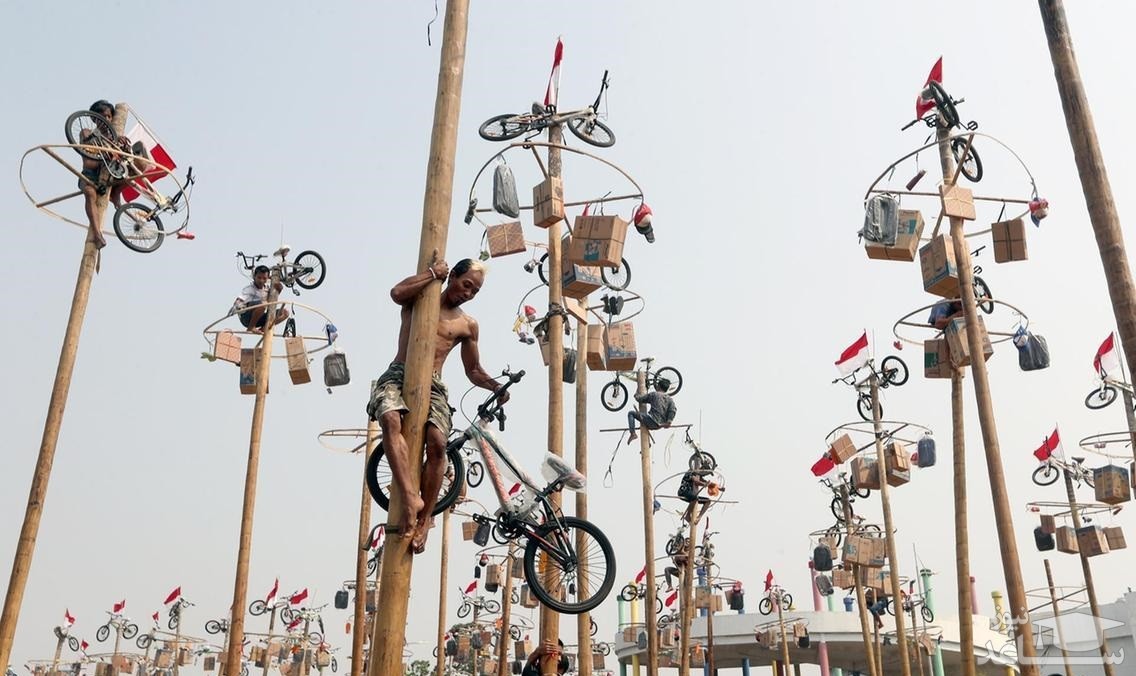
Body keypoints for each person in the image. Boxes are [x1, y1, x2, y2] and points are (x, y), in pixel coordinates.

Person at [367, 257, 506, 553]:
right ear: (452, 276)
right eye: (466, 285)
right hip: (399, 372)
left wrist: (496, 386)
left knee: (438, 442)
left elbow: (473, 370)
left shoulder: (467, 324)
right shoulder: (419, 297)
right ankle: (410, 496)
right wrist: (432, 274)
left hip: (434, 385)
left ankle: (424, 519)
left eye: (475, 291)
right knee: (390, 419)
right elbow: (396, 293)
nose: (468, 293)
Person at [76, 100, 154, 249]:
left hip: (112, 174)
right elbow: (88, 162)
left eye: (108, 116)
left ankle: (116, 192)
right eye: (101, 117)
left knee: (140, 162)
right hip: (91, 173)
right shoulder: (87, 133)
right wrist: (107, 150)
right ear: (94, 119)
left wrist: (123, 148)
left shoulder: (116, 138)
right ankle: (97, 234)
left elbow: (125, 162)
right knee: (90, 193)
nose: (106, 120)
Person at [235, 265, 289, 333]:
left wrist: (278, 291)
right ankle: (251, 327)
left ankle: (264, 328)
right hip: (247, 318)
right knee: (262, 304)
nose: (261, 280)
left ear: (267, 278)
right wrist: (244, 306)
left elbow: (270, 302)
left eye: (264, 278)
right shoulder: (249, 289)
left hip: (259, 316)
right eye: (259, 277)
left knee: (285, 312)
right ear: (254, 277)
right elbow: (238, 302)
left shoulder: (266, 289)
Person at [626, 378, 677, 444]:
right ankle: (647, 441)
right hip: (659, 425)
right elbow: (672, 410)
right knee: (645, 421)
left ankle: (633, 433)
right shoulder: (670, 399)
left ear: (658, 386)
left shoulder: (654, 394)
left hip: (652, 420)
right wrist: (669, 421)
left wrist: (636, 393)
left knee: (631, 413)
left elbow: (640, 399)